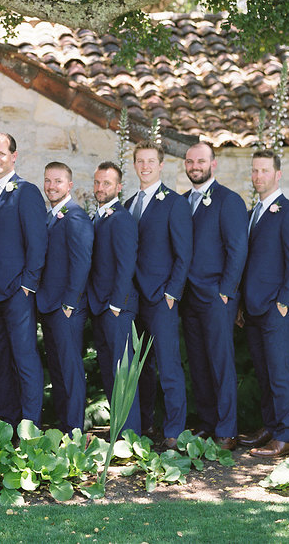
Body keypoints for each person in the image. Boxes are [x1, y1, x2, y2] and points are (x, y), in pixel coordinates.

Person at [237, 150, 289, 458]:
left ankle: (286, 434)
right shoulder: (255, 212)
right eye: (254, 171)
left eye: (264, 171)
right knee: (264, 372)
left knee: (280, 371)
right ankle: (270, 426)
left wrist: (284, 301)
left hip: (277, 308)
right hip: (253, 308)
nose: (258, 176)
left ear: (278, 175)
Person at [0, 132, 48, 426]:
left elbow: (38, 242)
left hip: (18, 291)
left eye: (2, 154)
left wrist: (28, 285)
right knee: (1, 362)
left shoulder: (26, 191)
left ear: (14, 156)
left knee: (25, 360)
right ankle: (8, 423)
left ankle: (31, 426)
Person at [124, 142, 192, 448]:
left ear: (160, 165)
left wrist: (172, 293)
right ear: (135, 164)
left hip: (161, 298)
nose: (145, 166)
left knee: (169, 366)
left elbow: (183, 253)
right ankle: (145, 424)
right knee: (140, 367)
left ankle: (174, 431)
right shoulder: (127, 205)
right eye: (140, 161)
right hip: (133, 299)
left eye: (151, 161)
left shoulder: (174, 203)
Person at [182, 142, 247, 450]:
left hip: (216, 296)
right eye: (190, 161)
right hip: (188, 297)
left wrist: (226, 292)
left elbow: (237, 249)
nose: (195, 166)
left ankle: (227, 430)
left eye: (201, 161)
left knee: (221, 363)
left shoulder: (228, 200)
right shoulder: (182, 201)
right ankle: (207, 422)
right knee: (198, 362)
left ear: (213, 164)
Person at [38, 161, 93, 433]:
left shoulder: (76, 217)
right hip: (49, 306)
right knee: (58, 370)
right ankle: (63, 427)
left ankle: (74, 430)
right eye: (48, 181)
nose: (51, 186)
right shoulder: (50, 216)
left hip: (66, 308)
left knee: (70, 371)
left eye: (57, 181)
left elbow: (82, 262)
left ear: (69, 185)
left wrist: (70, 303)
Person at [88, 161, 139, 434]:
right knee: (109, 371)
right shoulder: (97, 217)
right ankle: (118, 429)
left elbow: (126, 264)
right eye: (97, 182)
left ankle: (130, 434)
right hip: (100, 307)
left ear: (118, 187)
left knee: (123, 374)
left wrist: (116, 305)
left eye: (106, 183)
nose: (100, 188)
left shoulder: (122, 219)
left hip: (117, 307)